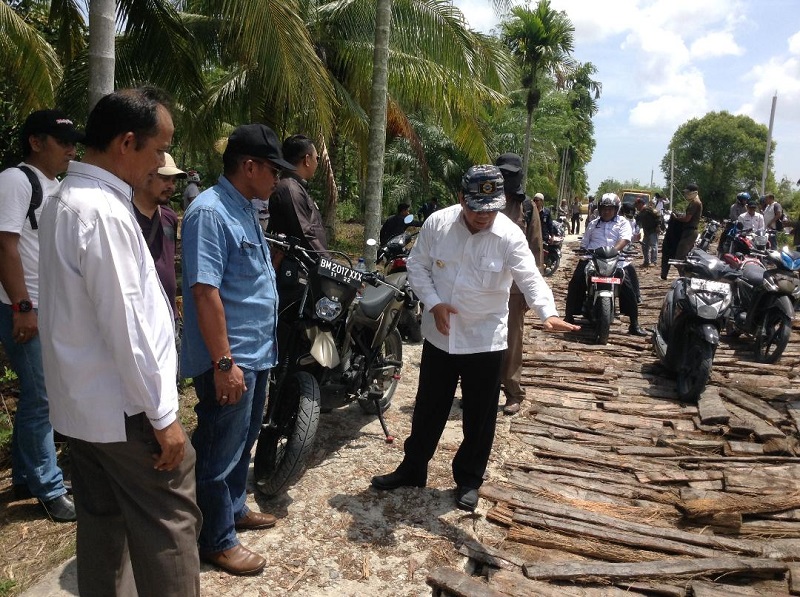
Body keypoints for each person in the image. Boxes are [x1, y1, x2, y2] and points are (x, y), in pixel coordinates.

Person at [38, 87, 201, 596]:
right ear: (127, 143)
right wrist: (163, 417)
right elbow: (127, 326)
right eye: (159, 150)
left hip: (84, 408)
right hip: (127, 411)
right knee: (170, 524)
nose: (162, 164)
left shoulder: (64, 199)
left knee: (102, 526)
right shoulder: (103, 213)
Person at [370, 165, 578, 512]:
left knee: (480, 416)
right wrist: (434, 304)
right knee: (428, 408)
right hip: (441, 334)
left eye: (492, 208)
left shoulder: (508, 234)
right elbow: (418, 266)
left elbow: (529, 275)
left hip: (485, 338)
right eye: (477, 208)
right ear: (461, 199)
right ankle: (412, 468)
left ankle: (468, 479)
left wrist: (548, 312)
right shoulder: (438, 223)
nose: (484, 217)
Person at [181, 123, 292, 576]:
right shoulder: (208, 212)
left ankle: (233, 509)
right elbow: (206, 293)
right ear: (249, 166)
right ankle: (215, 539)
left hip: (256, 351)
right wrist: (224, 362)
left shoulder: (244, 208)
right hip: (230, 358)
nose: (277, 180)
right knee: (217, 451)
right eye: (272, 170)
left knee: (241, 443)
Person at [0, 110, 79, 523]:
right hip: (24, 306)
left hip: (46, 306)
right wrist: (22, 306)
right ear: (35, 142)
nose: (70, 148)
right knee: (42, 398)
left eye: (72, 140)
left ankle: (26, 478)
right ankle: (49, 488)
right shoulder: (16, 179)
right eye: (60, 140)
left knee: (37, 396)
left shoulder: (55, 185)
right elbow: (5, 247)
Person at [496, 152, 543, 416]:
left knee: (512, 339)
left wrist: (530, 289)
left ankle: (513, 392)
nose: (504, 179)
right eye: (501, 173)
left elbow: (535, 248)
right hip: (483, 283)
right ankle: (481, 390)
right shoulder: (482, 199)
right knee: (481, 339)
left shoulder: (526, 206)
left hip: (513, 286)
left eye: (509, 174)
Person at [564, 193, 648, 336]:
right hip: (592, 259)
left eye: (610, 209)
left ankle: (634, 323)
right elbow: (585, 242)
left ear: (616, 209)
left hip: (616, 260)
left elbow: (625, 239)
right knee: (576, 281)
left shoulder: (623, 222)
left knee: (629, 288)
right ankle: (569, 316)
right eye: (604, 208)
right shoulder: (593, 224)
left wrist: (614, 251)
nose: (606, 211)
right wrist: (584, 250)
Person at [132, 152, 184, 318]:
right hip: (141, 317)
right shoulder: (124, 216)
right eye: (165, 179)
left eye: (174, 181)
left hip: (169, 316)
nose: (171, 186)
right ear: (146, 176)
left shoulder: (169, 217)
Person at [267, 133, 326, 254]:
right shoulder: (290, 188)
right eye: (317, 158)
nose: (317, 163)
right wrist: (332, 267)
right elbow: (305, 235)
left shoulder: (295, 187)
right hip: (298, 270)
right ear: (307, 160)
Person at [671, 183, 703, 263]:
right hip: (689, 231)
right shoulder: (694, 202)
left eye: (688, 192)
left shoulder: (695, 202)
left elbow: (687, 219)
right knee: (683, 256)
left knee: (680, 258)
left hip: (690, 231)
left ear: (693, 193)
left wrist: (676, 218)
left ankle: (685, 275)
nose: (686, 194)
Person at [635, 196, 660, 267]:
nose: (636, 207)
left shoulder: (649, 209)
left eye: (637, 205)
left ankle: (653, 262)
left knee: (653, 246)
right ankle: (646, 261)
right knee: (644, 246)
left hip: (653, 230)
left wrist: (658, 226)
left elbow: (658, 216)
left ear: (640, 204)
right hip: (646, 231)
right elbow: (637, 221)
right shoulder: (641, 213)